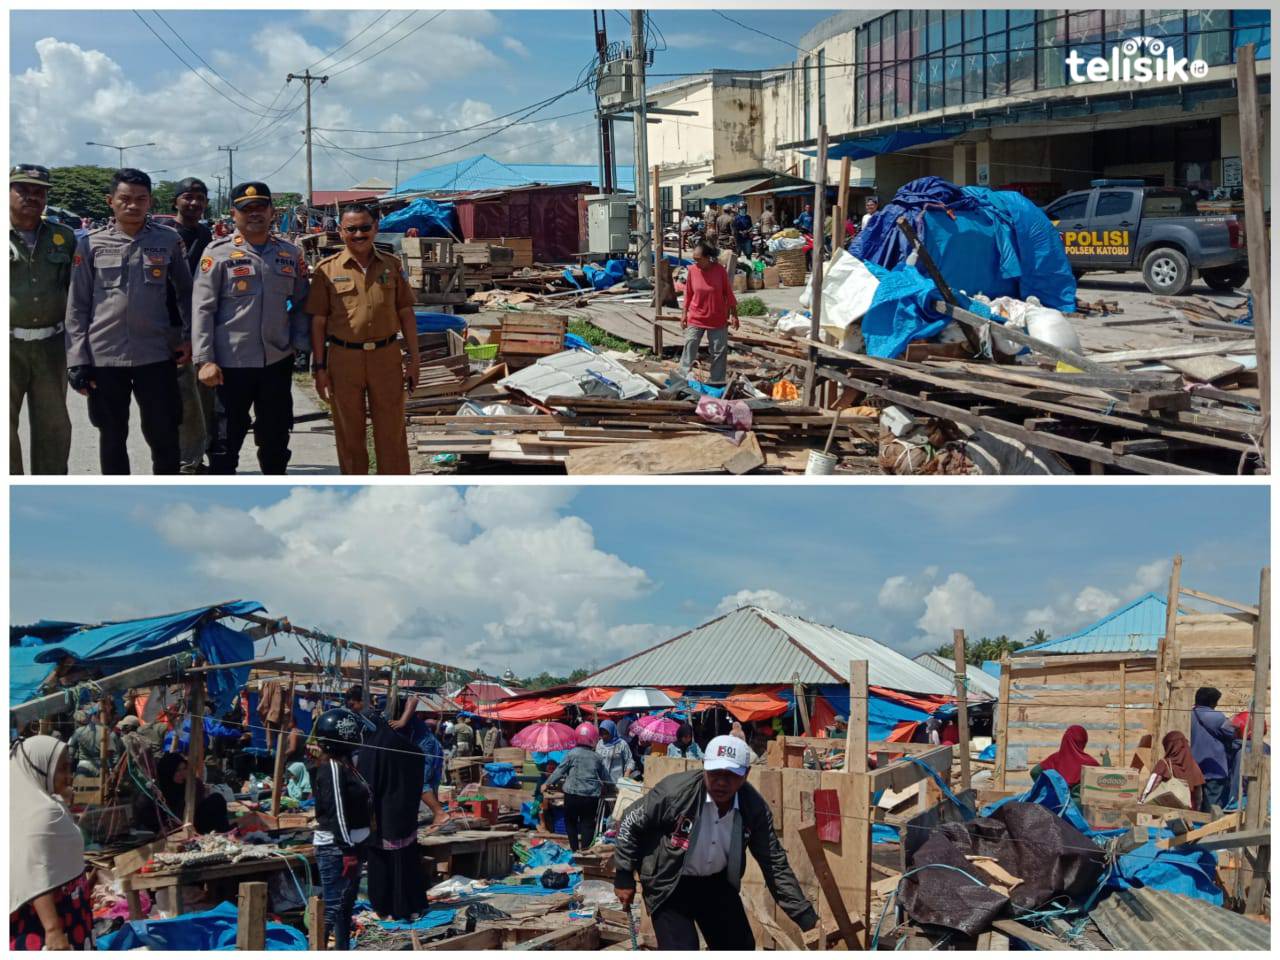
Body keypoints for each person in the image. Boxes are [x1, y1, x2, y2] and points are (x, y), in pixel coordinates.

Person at [614, 735, 816, 949]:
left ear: (746, 774)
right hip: (669, 883)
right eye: (715, 773)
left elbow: (774, 864)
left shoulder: (753, 809)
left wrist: (804, 916)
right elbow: (629, 820)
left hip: (717, 884)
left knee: (740, 947)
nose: (721, 782)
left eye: (731, 775)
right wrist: (624, 874)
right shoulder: (675, 793)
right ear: (704, 767)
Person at [65, 168, 193, 474]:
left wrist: (189, 338)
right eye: (125, 198)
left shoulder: (168, 241)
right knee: (111, 435)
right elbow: (78, 305)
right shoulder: (90, 244)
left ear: (150, 202)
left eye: (141, 199)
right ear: (111, 201)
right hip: (105, 356)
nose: (132, 205)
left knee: (164, 432)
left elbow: (187, 295)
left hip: (156, 353)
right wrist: (77, 359)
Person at [192, 181, 308, 475]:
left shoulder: (290, 254)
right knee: (224, 443)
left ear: (272, 211)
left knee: (275, 440)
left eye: (261, 208)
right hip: (230, 365)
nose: (254, 214)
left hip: (276, 362)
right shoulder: (216, 253)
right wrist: (204, 359)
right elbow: (203, 308)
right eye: (247, 209)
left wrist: (300, 344)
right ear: (233, 213)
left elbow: (303, 303)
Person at [306, 203, 418, 475]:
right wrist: (319, 368)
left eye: (365, 228)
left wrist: (414, 359)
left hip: (386, 356)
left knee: (391, 430)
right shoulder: (326, 270)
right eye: (351, 229)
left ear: (376, 228)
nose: (359, 234)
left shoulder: (391, 265)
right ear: (341, 232)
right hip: (344, 360)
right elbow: (318, 321)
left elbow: (406, 311)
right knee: (349, 432)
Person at [10, 163, 76, 476]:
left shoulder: (63, 237)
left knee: (53, 429)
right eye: (23, 189)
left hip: (52, 345)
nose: (32, 196)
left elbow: (77, 291)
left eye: (39, 192)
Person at [10, 735, 95, 950]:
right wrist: (53, 930)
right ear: (40, 768)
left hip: (60, 912)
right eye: (62, 769)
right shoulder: (42, 813)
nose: (69, 777)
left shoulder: (29, 807)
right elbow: (34, 871)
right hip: (53, 920)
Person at [355, 703, 427, 921]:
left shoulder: (371, 750)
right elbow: (419, 760)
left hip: (381, 816)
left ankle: (385, 906)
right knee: (405, 862)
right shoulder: (406, 747)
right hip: (403, 814)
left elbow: (366, 786)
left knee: (381, 863)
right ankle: (408, 905)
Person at [313, 708, 372, 951]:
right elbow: (337, 811)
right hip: (336, 849)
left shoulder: (347, 766)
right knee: (332, 909)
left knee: (344, 909)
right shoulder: (333, 769)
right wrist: (347, 849)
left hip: (350, 846)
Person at [168, 177, 216, 473]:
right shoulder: (164, 235)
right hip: (173, 326)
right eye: (188, 197)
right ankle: (187, 462)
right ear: (175, 201)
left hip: (204, 324)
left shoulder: (205, 233)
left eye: (200, 198)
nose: (195, 203)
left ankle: (200, 455)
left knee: (205, 395)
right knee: (184, 399)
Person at [544, 723, 615, 851]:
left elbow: (559, 770)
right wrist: (613, 789)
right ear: (593, 738)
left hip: (572, 796)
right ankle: (585, 853)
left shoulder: (571, 754)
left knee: (570, 823)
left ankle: (574, 850)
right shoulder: (597, 757)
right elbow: (606, 778)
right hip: (590, 797)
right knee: (587, 825)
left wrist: (547, 783)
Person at [678, 240, 738, 386]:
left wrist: (734, 314)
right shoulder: (692, 270)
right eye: (694, 259)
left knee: (719, 352)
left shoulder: (719, 271)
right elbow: (688, 294)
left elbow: (728, 293)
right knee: (690, 345)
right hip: (696, 316)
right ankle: (682, 377)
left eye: (698, 259)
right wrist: (684, 314)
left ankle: (716, 381)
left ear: (708, 257)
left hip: (717, 318)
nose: (695, 261)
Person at [1189, 687, 1239, 812]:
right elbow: (1232, 733)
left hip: (1194, 767)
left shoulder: (1189, 714)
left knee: (1195, 804)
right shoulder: (1217, 717)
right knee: (1212, 805)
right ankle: (1209, 830)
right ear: (1212, 702)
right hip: (1214, 768)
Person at [1030, 724, 1098, 806]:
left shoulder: (1054, 758)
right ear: (1083, 742)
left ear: (1065, 739)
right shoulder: (1091, 763)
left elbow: (1034, 772)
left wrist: (1048, 788)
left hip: (1053, 804)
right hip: (1076, 808)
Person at [1138, 731, 1205, 810]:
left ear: (1169, 746)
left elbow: (1152, 784)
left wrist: (1141, 801)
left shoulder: (1164, 764)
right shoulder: (1194, 766)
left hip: (1165, 810)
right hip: (1188, 811)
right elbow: (1198, 796)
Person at [411, 711, 450, 829]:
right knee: (431, 779)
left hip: (425, 745)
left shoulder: (409, 716)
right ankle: (437, 814)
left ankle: (440, 813)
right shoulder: (422, 722)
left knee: (420, 782)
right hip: (432, 744)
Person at [67, 706, 121, 776]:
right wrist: (111, 767)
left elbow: (71, 752)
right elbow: (113, 753)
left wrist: (69, 769)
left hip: (84, 765)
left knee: (79, 784)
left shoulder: (78, 732)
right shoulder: (106, 731)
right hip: (102, 766)